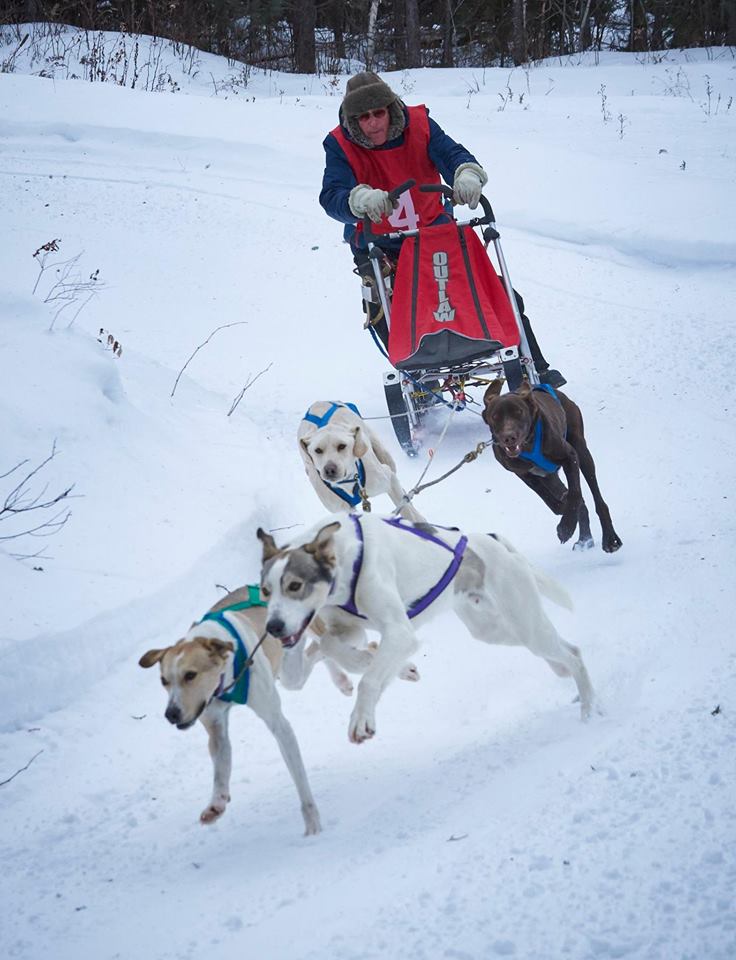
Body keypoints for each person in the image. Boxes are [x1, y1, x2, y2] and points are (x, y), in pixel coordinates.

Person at [319, 71, 566, 388]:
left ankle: (534, 366)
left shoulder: (419, 125)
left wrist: (466, 173)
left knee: (493, 291)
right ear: (353, 120)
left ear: (390, 108)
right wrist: (359, 199)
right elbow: (331, 195)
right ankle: (419, 378)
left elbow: (452, 154)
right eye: (363, 117)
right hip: (378, 242)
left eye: (378, 112)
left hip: (434, 234)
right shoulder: (339, 144)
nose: (373, 123)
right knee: (386, 311)